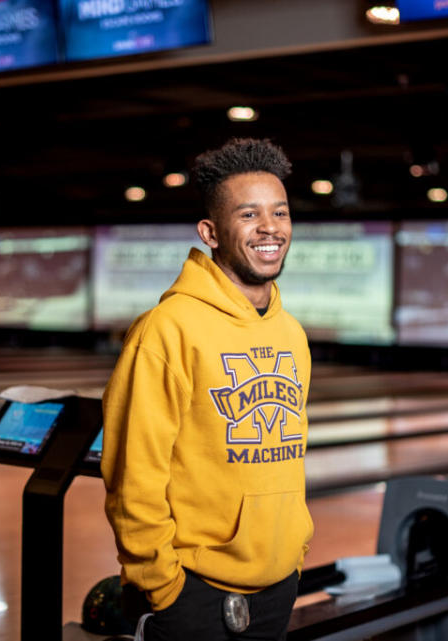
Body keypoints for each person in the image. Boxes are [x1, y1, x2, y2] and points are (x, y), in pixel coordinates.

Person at [100, 138, 313, 641]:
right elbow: (133, 473)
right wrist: (163, 585)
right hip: (193, 595)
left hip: (278, 585)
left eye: (280, 213)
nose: (270, 228)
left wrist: (294, 552)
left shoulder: (292, 333)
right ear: (210, 232)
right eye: (249, 214)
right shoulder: (166, 329)